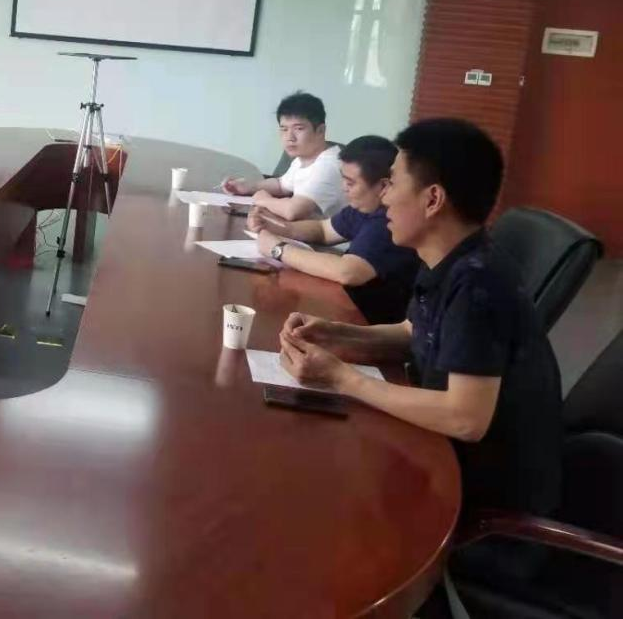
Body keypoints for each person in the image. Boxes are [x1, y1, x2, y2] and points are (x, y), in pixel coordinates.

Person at [277, 119, 562, 563]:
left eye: (393, 183)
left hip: (480, 514)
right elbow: (414, 332)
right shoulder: (451, 261)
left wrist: (342, 379)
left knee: (307, 514)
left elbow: (465, 417)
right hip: (438, 459)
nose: (384, 197)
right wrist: (335, 333)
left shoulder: (478, 285)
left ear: (433, 199)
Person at [253, 135, 420, 324]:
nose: (344, 188)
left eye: (350, 183)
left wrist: (278, 249)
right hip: (346, 306)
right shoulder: (365, 206)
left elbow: (348, 272)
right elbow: (323, 230)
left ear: (383, 186)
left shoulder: (389, 220)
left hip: (369, 323)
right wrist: (276, 227)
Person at [221, 91, 345, 221]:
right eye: (284, 129)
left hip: (329, 233)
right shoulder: (303, 158)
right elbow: (281, 185)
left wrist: (264, 200)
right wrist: (247, 187)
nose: (289, 137)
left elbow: (292, 211)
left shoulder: (328, 165)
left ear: (320, 131)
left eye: (299, 129)